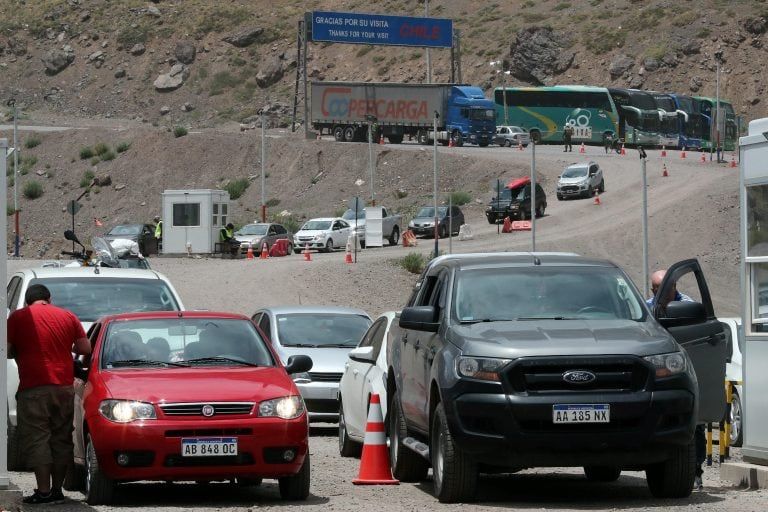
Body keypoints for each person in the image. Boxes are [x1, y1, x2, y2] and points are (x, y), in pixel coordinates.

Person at [7, 284, 91, 504]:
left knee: (38, 439)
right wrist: (64, 345)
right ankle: (57, 491)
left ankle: (43, 492)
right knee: (61, 437)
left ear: (27, 301)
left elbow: (5, 350)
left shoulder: (18, 317)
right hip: (63, 387)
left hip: (33, 388)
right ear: (49, 299)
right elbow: (85, 348)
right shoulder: (68, 316)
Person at [646, 269, 704, 490]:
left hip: (686, 370)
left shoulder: (686, 305)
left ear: (674, 287)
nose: (660, 294)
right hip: (661, 373)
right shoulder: (648, 307)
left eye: (664, 289)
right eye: (655, 290)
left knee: (695, 424)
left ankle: (695, 471)